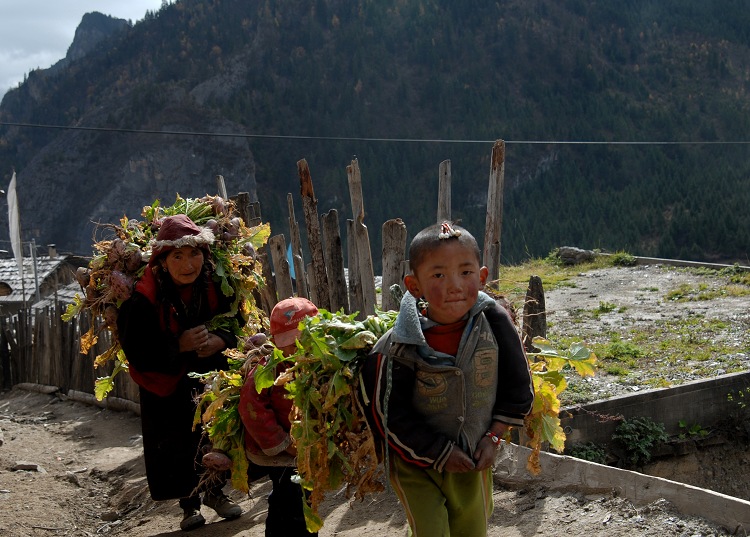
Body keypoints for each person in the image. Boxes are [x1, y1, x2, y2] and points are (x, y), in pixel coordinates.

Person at [360, 221, 535, 537]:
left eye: (466, 272)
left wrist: (494, 436)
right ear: (415, 286)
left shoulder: (495, 325)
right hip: (414, 463)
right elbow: (387, 414)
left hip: (473, 456)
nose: (455, 284)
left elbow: (519, 387)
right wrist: (437, 451)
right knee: (431, 530)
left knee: (472, 529)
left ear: (481, 278)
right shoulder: (395, 347)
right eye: (438, 275)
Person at [117, 214, 243, 531]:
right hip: (165, 381)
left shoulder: (218, 283)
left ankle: (216, 493)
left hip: (208, 373)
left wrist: (220, 340)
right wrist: (180, 345)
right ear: (162, 260)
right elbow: (137, 349)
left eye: (195, 253)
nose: (189, 265)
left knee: (214, 434)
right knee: (176, 441)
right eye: (178, 256)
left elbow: (237, 324)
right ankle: (189, 506)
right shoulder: (142, 300)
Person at [238, 296, 319, 537]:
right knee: (293, 495)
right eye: (288, 343)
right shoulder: (267, 369)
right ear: (274, 342)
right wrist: (283, 443)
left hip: (304, 446)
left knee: (297, 496)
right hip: (279, 451)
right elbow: (252, 410)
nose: (295, 349)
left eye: (302, 340)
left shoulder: (320, 365)